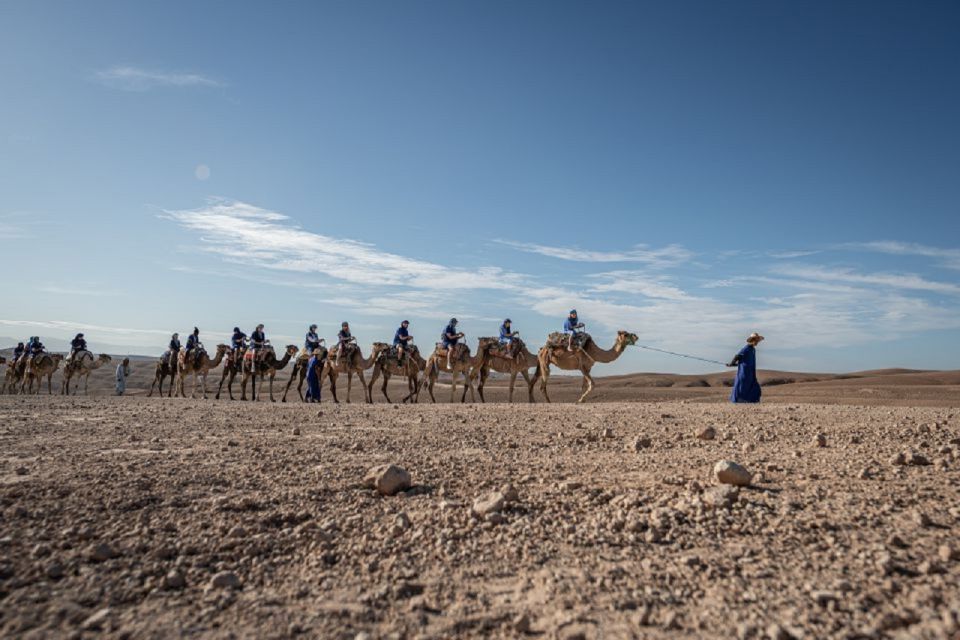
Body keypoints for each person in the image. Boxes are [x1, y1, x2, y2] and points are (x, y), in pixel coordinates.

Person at [728, 332, 764, 403]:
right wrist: (732, 363)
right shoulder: (746, 348)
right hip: (744, 372)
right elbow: (738, 356)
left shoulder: (753, 349)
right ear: (752, 340)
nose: (757, 342)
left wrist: (734, 364)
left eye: (757, 340)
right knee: (742, 386)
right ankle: (738, 401)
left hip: (751, 372)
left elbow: (744, 360)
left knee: (753, 386)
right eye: (756, 340)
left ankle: (751, 401)